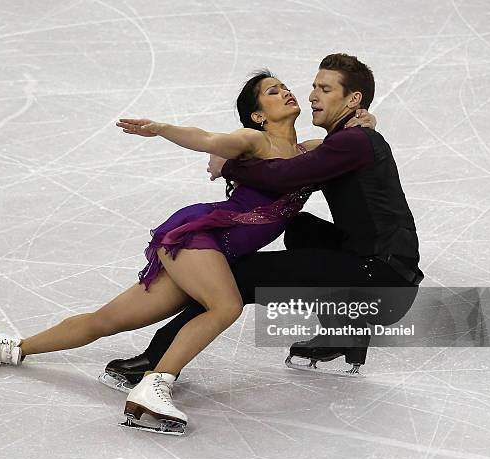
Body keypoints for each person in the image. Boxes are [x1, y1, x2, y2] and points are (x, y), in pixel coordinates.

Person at [0, 69, 377, 435]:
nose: (286, 91)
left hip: (214, 252)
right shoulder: (253, 140)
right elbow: (208, 137)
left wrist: (365, 119)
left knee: (106, 320)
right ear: (258, 115)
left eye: (284, 86)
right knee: (226, 306)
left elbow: (345, 142)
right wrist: (163, 129)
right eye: (271, 91)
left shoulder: (307, 152)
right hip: (199, 238)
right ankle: (156, 385)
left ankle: (11, 346)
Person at [102, 52, 424, 389]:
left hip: (381, 277)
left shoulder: (352, 141)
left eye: (326, 89)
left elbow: (284, 175)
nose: (313, 95)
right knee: (301, 229)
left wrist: (229, 165)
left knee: (240, 278)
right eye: (314, 87)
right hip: (383, 266)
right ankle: (345, 338)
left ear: (353, 99)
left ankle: (156, 362)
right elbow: (299, 161)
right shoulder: (349, 140)